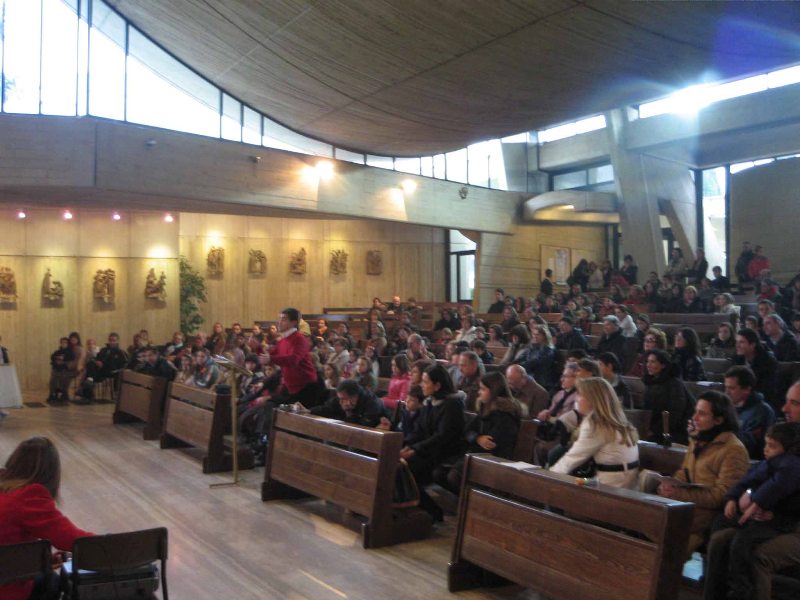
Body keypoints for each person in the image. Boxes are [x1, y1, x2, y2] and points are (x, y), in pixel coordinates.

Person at [704, 422, 800, 600]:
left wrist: (759, 504)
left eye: (772, 446)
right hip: (761, 520)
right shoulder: (772, 463)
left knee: (753, 552)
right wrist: (741, 496)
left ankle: (742, 592)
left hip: (785, 524)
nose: (766, 449)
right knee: (719, 540)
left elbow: (778, 488)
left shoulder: (791, 465)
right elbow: (751, 481)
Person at [656, 391, 750, 560]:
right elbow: (685, 472)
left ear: (718, 420)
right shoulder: (698, 440)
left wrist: (678, 493)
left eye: (702, 414)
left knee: (661, 542)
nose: (695, 418)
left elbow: (722, 496)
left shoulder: (733, 450)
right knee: (643, 520)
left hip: (708, 517)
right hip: (687, 508)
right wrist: (670, 485)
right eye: (695, 412)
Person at [0, 437, 94, 600]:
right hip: (6, 591)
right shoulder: (28, 495)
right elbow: (72, 540)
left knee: (48, 576)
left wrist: (40, 560)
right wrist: (113, 545)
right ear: (50, 473)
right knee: (56, 582)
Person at [439, 371, 525, 493]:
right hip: (476, 454)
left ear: (493, 391)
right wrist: (477, 438)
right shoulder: (485, 408)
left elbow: (491, 443)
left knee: (454, 476)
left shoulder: (505, 414)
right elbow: (467, 430)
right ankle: (465, 501)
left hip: (492, 459)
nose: (479, 392)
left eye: (483, 389)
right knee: (439, 473)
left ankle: (470, 501)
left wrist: (476, 439)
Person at [401, 364, 466, 521]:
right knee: (399, 466)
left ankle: (432, 512)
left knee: (407, 469)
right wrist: (405, 445)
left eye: (425, 382)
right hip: (429, 450)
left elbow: (442, 437)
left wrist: (415, 450)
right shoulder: (430, 402)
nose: (421, 385)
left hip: (445, 454)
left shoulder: (452, 405)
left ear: (437, 385)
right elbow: (419, 430)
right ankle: (415, 509)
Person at [550, 377, 639, 488]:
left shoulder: (596, 424)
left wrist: (547, 476)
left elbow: (573, 458)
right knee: (575, 480)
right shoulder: (614, 418)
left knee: (563, 487)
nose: (576, 399)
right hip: (622, 482)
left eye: (580, 395)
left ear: (593, 399)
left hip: (610, 486)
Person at [265, 308, 320, 408]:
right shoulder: (282, 340)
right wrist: (265, 355)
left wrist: (270, 358)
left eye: (284, 319)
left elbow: (293, 360)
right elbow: (274, 356)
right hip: (290, 386)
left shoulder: (300, 339)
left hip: (305, 387)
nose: (279, 322)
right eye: (279, 319)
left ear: (293, 322)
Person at [642, 349, 695, 445]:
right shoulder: (651, 382)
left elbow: (675, 413)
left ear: (663, 365)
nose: (648, 365)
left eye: (653, 362)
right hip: (658, 427)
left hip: (676, 430)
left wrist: (654, 431)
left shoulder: (674, 384)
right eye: (647, 361)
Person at [724, 366, 776, 460]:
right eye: (726, 387)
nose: (726, 392)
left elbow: (749, 445)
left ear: (747, 389)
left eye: (732, 388)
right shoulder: (728, 407)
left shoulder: (761, 412)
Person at [733, 329, 778, 410]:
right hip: (740, 399)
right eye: (737, 342)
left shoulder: (767, 361)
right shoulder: (738, 359)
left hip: (761, 402)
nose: (737, 345)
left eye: (741, 342)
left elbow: (767, 390)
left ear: (753, 344)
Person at [310, 379, 386, 427]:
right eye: (339, 398)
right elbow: (328, 408)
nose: (340, 402)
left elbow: (364, 427)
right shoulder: (342, 397)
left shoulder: (372, 403)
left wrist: (349, 413)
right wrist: (310, 411)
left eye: (343, 399)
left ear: (354, 396)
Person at [522, 324, 557, 390]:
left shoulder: (549, 349)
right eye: (534, 334)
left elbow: (538, 362)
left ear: (544, 336)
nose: (535, 336)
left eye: (537, 334)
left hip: (541, 379)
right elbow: (522, 357)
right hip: (530, 374)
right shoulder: (532, 347)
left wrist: (522, 366)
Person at [47, 337, 74, 403]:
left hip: (66, 369)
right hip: (57, 368)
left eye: (65, 343)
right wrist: (58, 359)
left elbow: (71, 359)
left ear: (68, 344)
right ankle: (52, 394)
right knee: (53, 379)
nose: (63, 344)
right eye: (62, 343)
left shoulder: (70, 352)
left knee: (63, 377)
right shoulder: (58, 351)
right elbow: (52, 357)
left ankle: (64, 393)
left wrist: (63, 359)